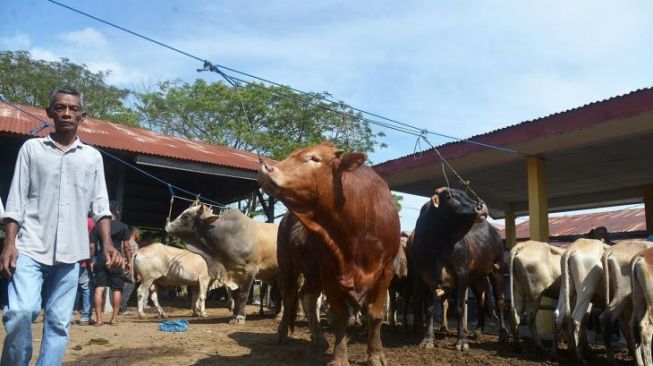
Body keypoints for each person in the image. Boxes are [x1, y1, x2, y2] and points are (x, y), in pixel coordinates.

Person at [0, 87, 124, 366]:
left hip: (72, 252)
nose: (66, 113)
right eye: (60, 107)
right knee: (21, 311)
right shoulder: (31, 149)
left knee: (58, 322)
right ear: (49, 113)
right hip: (30, 246)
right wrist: (9, 244)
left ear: (83, 116)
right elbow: (16, 201)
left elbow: (101, 206)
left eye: (73, 108)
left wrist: (108, 245)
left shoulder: (92, 157)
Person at [90, 203, 130, 326]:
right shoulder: (123, 226)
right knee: (117, 289)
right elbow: (127, 247)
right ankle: (114, 319)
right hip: (116, 258)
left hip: (102, 257)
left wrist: (91, 260)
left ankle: (99, 319)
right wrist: (129, 261)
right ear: (116, 212)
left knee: (99, 288)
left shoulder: (97, 227)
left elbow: (91, 246)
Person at [74, 217, 96, 325]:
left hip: (65, 260)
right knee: (87, 289)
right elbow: (92, 245)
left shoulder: (69, 217)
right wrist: (90, 259)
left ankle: (67, 316)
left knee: (67, 288)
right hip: (82, 261)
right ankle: (85, 317)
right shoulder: (89, 222)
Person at [119, 227, 140, 315]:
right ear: (135, 233)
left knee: (121, 287)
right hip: (129, 268)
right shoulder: (134, 244)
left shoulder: (123, 242)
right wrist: (137, 273)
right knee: (128, 288)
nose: (139, 235)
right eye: (139, 233)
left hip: (120, 266)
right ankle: (122, 308)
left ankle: (120, 306)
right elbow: (135, 260)